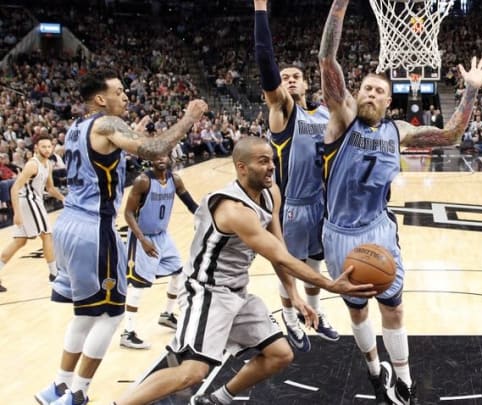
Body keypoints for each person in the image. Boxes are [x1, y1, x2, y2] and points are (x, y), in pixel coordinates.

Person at [318, 1, 482, 403]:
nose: (371, 93)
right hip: (340, 232)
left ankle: (404, 379)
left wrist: (470, 90)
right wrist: (340, 6)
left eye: (379, 91)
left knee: (393, 307)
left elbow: (450, 135)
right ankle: (372, 368)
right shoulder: (342, 117)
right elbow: (327, 57)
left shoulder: (399, 131)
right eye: (365, 88)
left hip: (378, 228)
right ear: (354, 94)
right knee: (357, 310)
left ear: (388, 102)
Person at [114, 137, 375, 405]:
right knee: (192, 372)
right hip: (207, 291)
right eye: (263, 161)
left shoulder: (271, 192)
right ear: (241, 167)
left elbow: (278, 247)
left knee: (280, 354)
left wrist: (294, 295)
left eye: (272, 160)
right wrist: (331, 285)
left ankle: (218, 399)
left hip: (237, 290)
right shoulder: (234, 209)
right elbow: (280, 256)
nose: (271, 167)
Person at [34, 68, 207, 405]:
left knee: (84, 313)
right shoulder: (107, 124)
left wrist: (128, 137)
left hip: (67, 224)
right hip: (93, 228)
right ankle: (78, 393)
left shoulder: (77, 128)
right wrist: (188, 118)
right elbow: (154, 147)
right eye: (119, 91)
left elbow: (101, 155)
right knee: (112, 314)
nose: (126, 96)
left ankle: (57, 386)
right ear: (101, 99)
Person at [254, 0, 337, 352]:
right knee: (289, 265)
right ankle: (289, 317)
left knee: (315, 266)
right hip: (290, 204)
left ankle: (314, 315)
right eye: (284, 77)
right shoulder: (283, 112)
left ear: (305, 84)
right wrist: (261, 9)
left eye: (295, 77)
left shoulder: (324, 114)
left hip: (321, 203)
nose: (288, 80)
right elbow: (266, 65)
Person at [120, 154, 198, 350]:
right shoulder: (143, 181)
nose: (161, 159)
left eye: (164, 155)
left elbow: (190, 203)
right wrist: (142, 240)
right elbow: (128, 213)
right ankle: (127, 333)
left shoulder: (175, 179)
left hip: (162, 236)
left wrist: (206, 217)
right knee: (138, 286)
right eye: (157, 156)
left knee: (179, 272)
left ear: (170, 158)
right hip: (142, 237)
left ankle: (167, 315)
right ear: (150, 160)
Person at [0, 135, 65, 291]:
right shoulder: (32, 165)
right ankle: (54, 274)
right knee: (47, 235)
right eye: (43, 147)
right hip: (28, 201)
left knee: (20, 241)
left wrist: (64, 199)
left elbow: (50, 188)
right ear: (36, 147)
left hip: (35, 201)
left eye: (49, 146)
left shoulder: (48, 164)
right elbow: (14, 188)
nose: (47, 149)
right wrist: (16, 213)